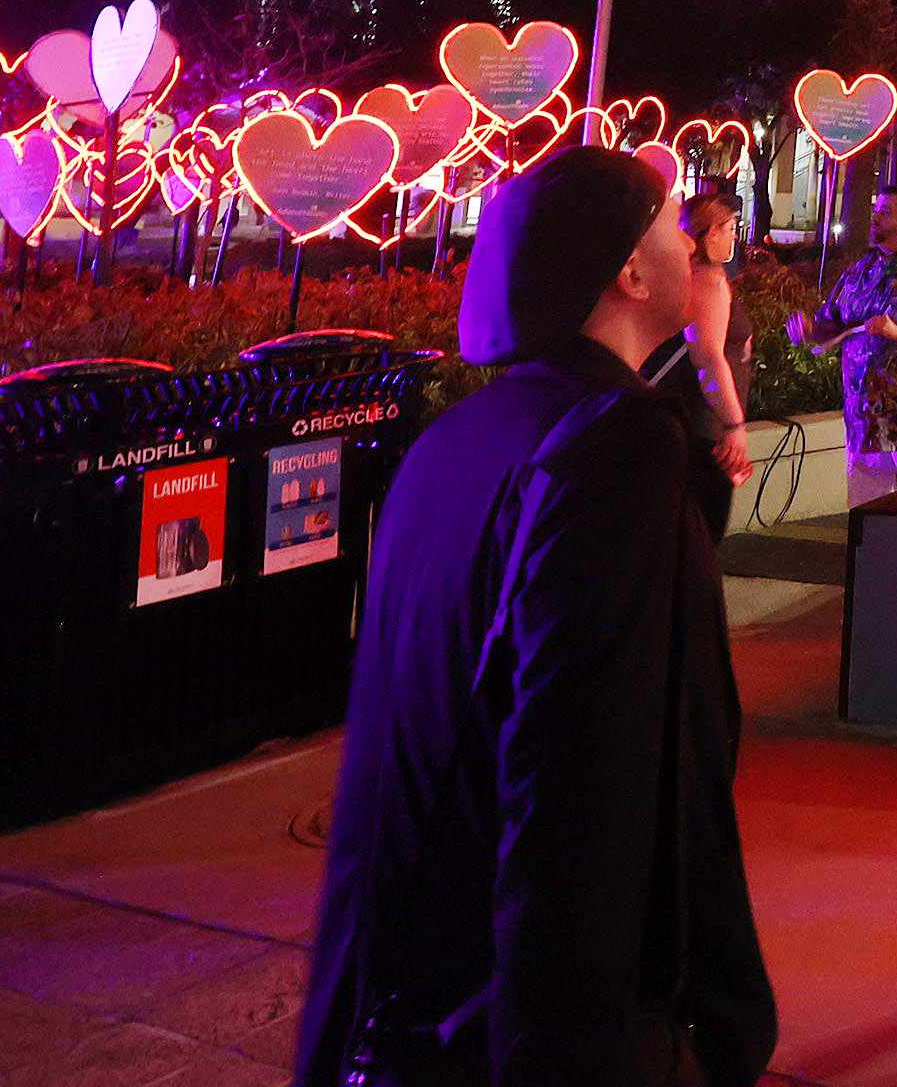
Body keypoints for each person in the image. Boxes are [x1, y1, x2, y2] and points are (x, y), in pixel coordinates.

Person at [298, 146, 775, 1087]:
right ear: (629, 272)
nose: (694, 246)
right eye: (672, 225)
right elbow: (584, 784)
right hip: (531, 1026)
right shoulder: (614, 451)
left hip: (421, 988)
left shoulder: (459, 439)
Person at [788, 182, 897, 507]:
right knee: (868, 515)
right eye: (875, 210)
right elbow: (834, 322)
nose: (874, 218)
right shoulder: (861, 271)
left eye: (885, 212)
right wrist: (811, 330)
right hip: (866, 418)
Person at [646, 186, 758, 530]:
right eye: (730, 228)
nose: (735, 236)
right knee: (702, 529)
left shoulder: (688, 276)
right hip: (704, 426)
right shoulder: (707, 281)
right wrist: (734, 424)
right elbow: (708, 356)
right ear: (710, 233)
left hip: (692, 422)